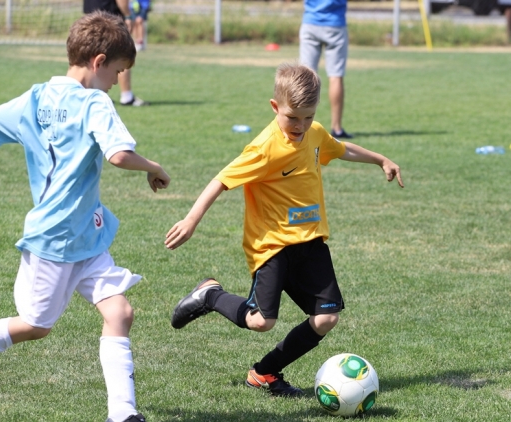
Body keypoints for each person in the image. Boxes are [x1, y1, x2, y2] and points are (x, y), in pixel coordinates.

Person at [0, 11, 179, 422]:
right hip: (56, 238)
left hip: (85, 236)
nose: (115, 82)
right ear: (99, 60)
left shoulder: (36, 97)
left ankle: (123, 419)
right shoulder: (95, 102)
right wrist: (153, 166)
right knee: (35, 325)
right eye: (117, 72)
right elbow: (117, 155)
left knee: (119, 313)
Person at [164, 63, 403, 396]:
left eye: (308, 116)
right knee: (262, 321)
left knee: (326, 319)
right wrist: (191, 219)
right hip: (272, 245)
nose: (301, 126)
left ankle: (265, 373)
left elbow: (340, 147)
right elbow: (221, 180)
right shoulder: (264, 148)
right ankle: (211, 295)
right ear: (275, 107)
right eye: (293, 117)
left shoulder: (315, 132)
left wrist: (380, 159)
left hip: (311, 242)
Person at [300, 0, 352, 139]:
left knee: (305, 77)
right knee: (336, 76)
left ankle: (300, 125)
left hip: (310, 22)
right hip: (335, 23)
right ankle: (337, 128)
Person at [84, 0, 147, 106]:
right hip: (111, 18)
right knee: (123, 53)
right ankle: (126, 96)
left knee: (91, 55)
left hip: (90, 15)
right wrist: (128, 16)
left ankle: (94, 93)